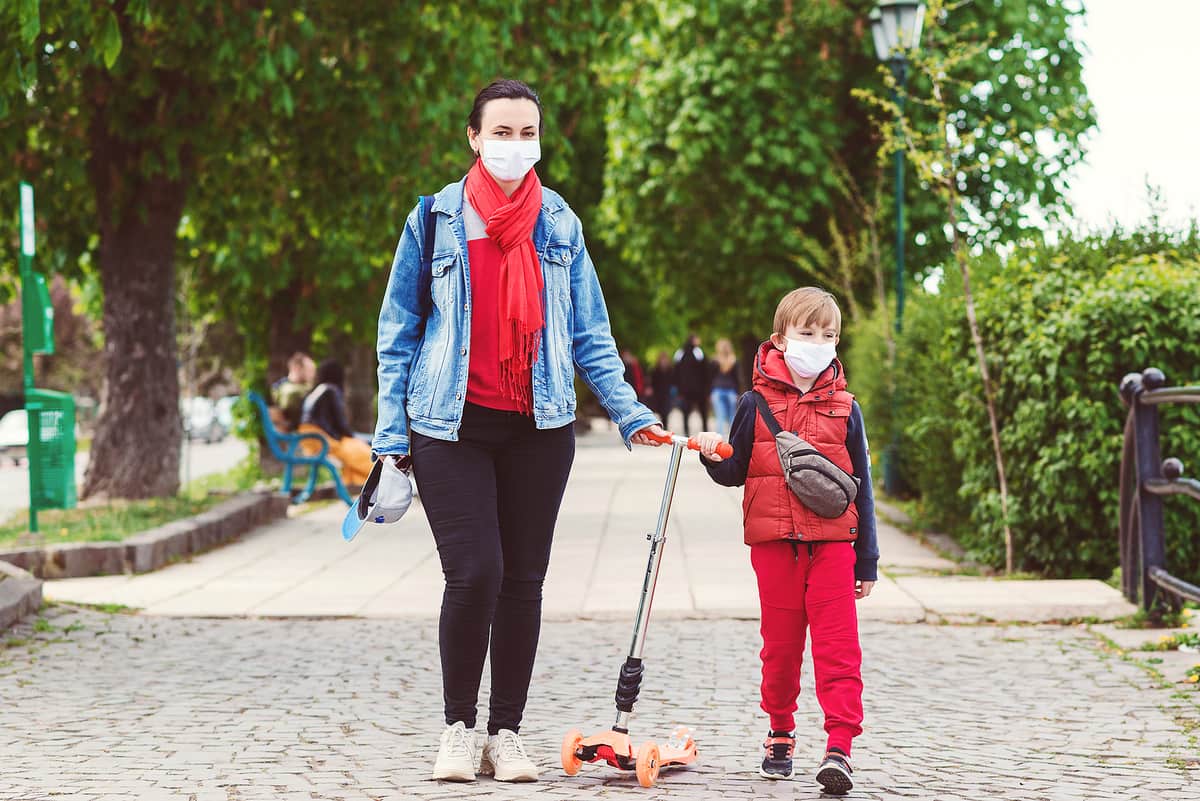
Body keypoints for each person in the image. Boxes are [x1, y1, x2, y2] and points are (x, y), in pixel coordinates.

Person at [371, 79, 668, 784]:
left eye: (526, 133)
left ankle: (505, 733)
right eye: (500, 132)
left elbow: (591, 334)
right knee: (476, 571)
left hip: (540, 427)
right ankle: (455, 728)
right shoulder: (435, 218)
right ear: (474, 137)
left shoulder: (559, 222)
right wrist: (390, 438)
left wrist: (632, 413)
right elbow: (398, 333)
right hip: (449, 425)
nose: (514, 145)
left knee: (523, 582)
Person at [693, 287, 878, 794]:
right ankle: (780, 729)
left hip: (834, 547)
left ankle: (839, 746)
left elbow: (862, 483)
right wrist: (712, 453)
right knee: (780, 648)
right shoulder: (753, 404)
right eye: (808, 333)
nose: (819, 343)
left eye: (829, 335)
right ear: (780, 339)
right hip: (774, 546)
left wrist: (868, 561)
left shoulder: (846, 408)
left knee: (839, 650)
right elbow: (734, 471)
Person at [299, 359, 372, 487]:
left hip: (312, 440)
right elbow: (341, 426)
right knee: (368, 442)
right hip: (324, 440)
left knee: (364, 441)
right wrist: (355, 437)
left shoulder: (317, 391)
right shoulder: (331, 391)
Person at [674, 333, 710, 436]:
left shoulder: (680, 353)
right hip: (697, 388)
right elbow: (705, 371)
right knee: (701, 411)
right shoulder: (698, 353)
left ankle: (687, 431)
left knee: (687, 411)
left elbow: (676, 371)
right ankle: (704, 429)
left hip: (687, 389)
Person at [271, 352, 316, 431]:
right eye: (309, 370)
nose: (313, 374)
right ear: (297, 368)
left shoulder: (284, 387)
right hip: (300, 433)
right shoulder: (287, 390)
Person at [710, 337, 740, 437]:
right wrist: (737, 392)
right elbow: (737, 379)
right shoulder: (734, 361)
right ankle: (733, 438)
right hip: (731, 390)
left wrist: (709, 392)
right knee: (732, 416)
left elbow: (710, 378)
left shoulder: (715, 361)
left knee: (720, 416)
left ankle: (719, 438)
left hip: (717, 390)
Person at [648, 351, 676, 426]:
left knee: (666, 411)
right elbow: (652, 381)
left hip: (667, 393)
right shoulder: (655, 369)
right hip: (658, 393)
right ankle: (663, 425)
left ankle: (665, 426)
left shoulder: (670, 369)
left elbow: (674, 380)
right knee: (660, 411)